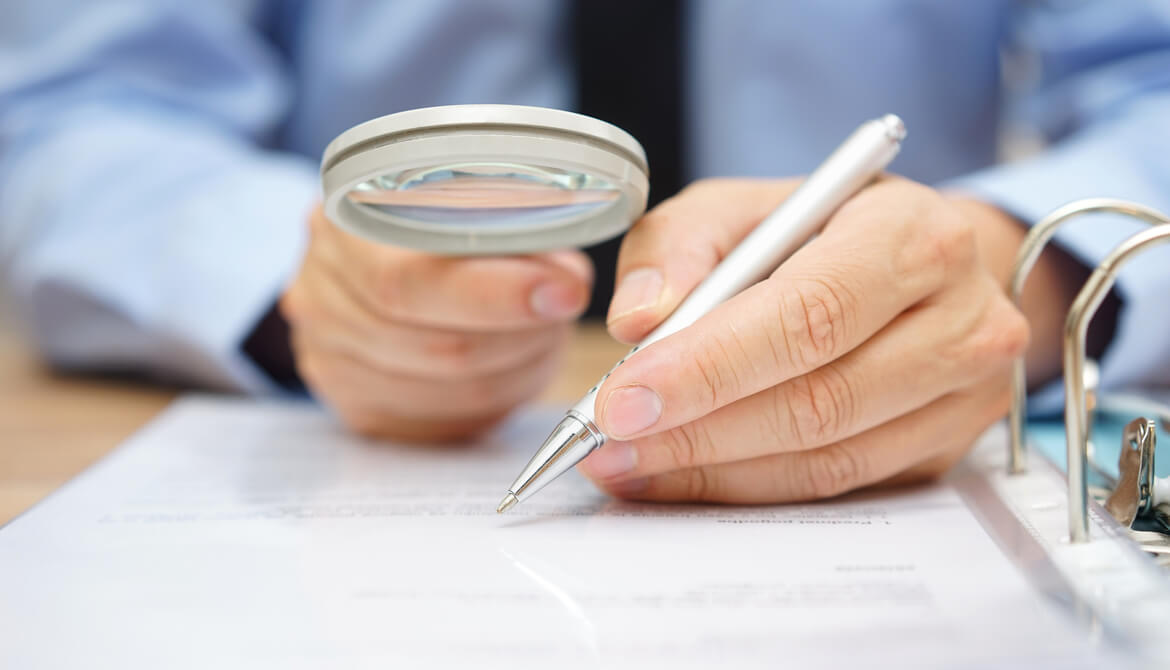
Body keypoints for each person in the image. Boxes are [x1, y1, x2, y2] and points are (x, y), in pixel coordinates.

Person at [2, 2, 1169, 504]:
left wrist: (1022, 257)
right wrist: (293, 284)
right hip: (334, 405)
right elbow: (72, 106)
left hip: (928, 385)